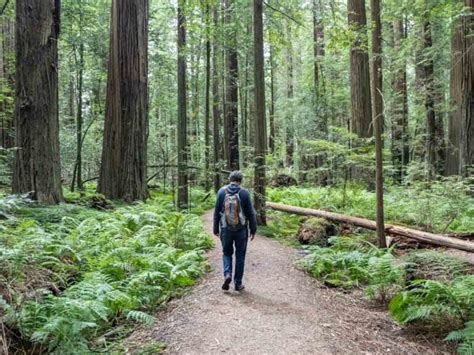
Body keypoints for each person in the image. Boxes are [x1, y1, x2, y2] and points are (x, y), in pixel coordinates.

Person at [213, 171, 257, 291]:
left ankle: (227, 274)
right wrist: (253, 229)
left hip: (225, 229)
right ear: (240, 181)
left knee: (226, 253)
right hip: (241, 230)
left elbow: (217, 211)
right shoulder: (244, 193)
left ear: (230, 179)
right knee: (240, 255)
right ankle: (238, 283)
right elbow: (251, 213)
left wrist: (215, 228)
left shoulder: (221, 192)